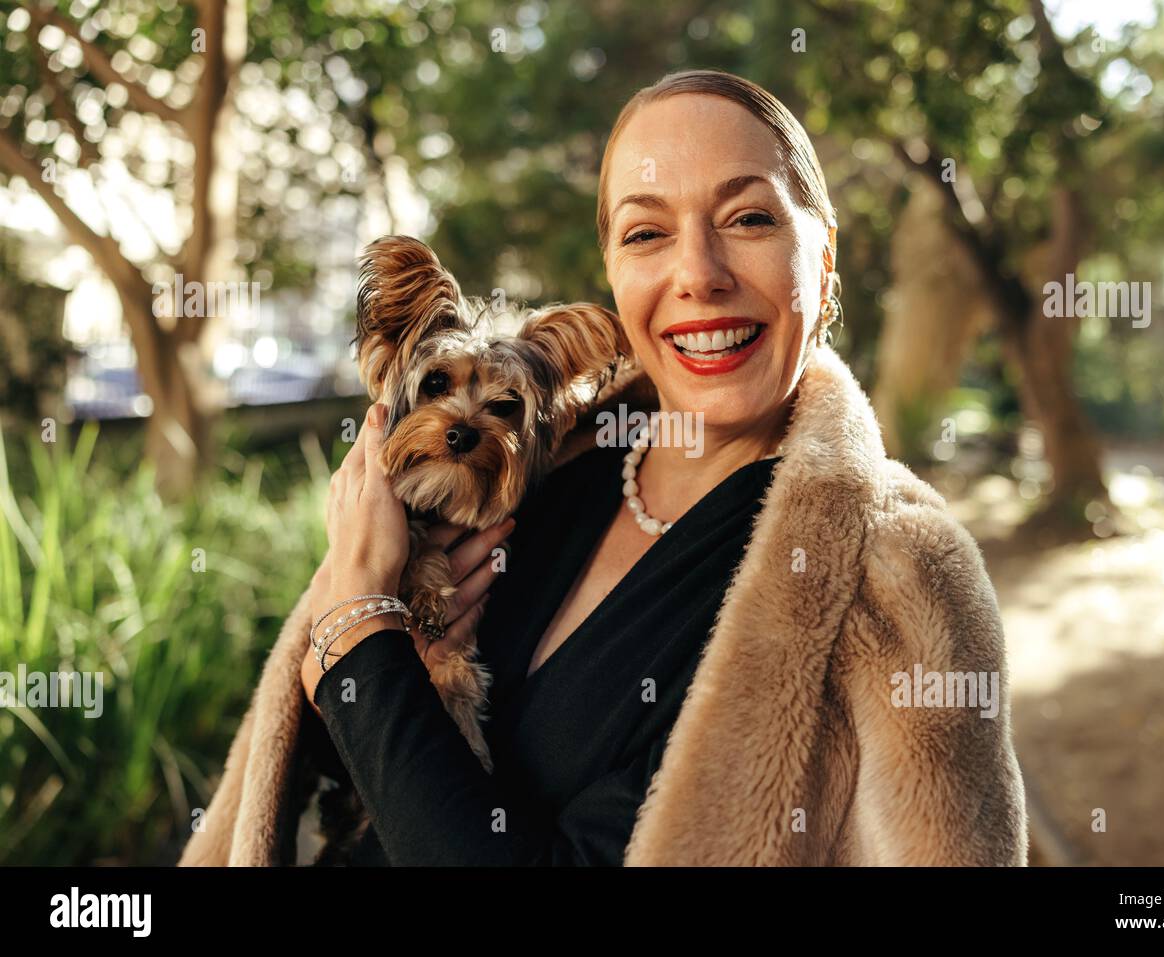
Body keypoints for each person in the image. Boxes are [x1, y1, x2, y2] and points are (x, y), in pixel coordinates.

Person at [186, 68, 1026, 867]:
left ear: (825, 254)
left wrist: (358, 629)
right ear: (616, 274)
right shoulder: (545, 475)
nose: (698, 274)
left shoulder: (894, 581)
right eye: (648, 232)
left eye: (748, 218)